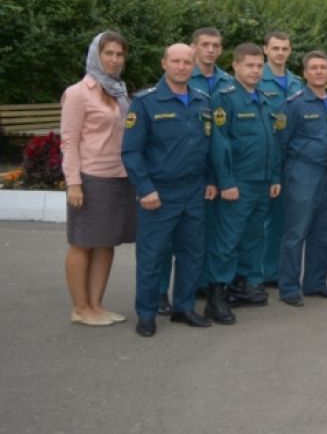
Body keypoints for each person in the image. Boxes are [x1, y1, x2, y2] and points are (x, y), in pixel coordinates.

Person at [122, 43, 217, 337]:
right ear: (164, 63)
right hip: (159, 194)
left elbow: (208, 146)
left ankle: (184, 308)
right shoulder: (146, 103)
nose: (182, 67)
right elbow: (131, 152)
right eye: (175, 61)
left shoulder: (202, 101)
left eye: (187, 62)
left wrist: (212, 180)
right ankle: (147, 313)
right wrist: (145, 188)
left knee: (192, 253)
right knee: (153, 256)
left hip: (194, 191)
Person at [61, 31, 137, 327]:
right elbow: (69, 141)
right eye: (109, 53)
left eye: (119, 54)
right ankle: (80, 308)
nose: (115, 59)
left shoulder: (119, 91)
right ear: (96, 55)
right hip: (91, 177)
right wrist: (74, 183)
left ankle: (96, 305)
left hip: (119, 176)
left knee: (106, 242)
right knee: (83, 242)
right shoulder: (78, 93)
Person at [204, 43, 282, 324]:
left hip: (261, 182)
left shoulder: (263, 98)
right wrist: (226, 182)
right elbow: (219, 143)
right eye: (249, 65)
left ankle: (242, 286)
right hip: (238, 183)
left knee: (253, 237)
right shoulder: (224, 98)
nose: (255, 71)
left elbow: (271, 141)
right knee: (227, 240)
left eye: (259, 66)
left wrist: (274, 177)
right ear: (235, 66)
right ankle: (216, 297)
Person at [156, 27, 232, 313]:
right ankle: (160, 292)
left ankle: (197, 286)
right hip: (177, 172)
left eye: (216, 45)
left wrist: (216, 177)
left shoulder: (227, 82)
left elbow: (221, 136)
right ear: (193, 47)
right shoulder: (179, 77)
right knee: (167, 240)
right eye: (205, 45)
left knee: (202, 237)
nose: (210, 50)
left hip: (210, 173)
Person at [277, 51, 327, 306]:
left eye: (323, 67)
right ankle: (289, 287)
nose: (319, 72)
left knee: (324, 231)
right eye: (313, 68)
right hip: (303, 172)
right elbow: (280, 142)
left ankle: (315, 283)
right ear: (304, 72)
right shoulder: (294, 103)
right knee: (296, 232)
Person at [258, 31, 303, 289]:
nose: (280, 53)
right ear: (266, 49)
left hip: (292, 160)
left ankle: (276, 272)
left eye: (285, 48)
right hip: (264, 158)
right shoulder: (256, 79)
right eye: (275, 48)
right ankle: (261, 273)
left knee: (284, 219)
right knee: (262, 220)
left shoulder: (296, 83)